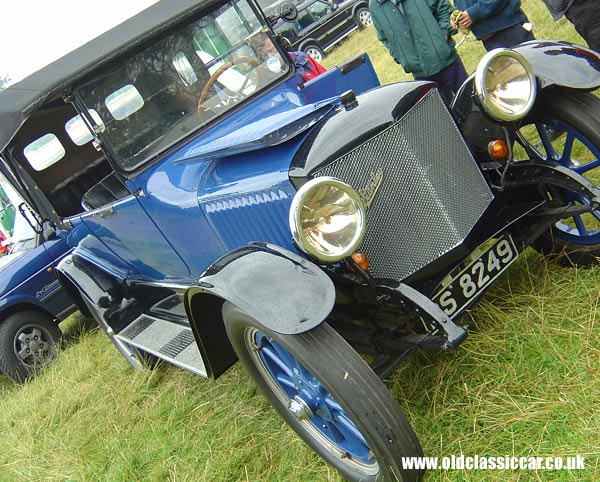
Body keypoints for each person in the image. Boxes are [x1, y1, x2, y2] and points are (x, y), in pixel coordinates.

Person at [369, 0, 468, 105]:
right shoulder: (375, 5)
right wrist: (402, 57)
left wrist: (444, 33)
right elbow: (384, 38)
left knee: (471, 106)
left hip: (447, 62)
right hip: (421, 74)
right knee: (443, 117)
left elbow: (443, 8)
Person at [451, 0, 535, 51]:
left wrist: (473, 13)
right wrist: (458, 17)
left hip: (510, 28)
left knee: (535, 71)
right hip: (489, 39)